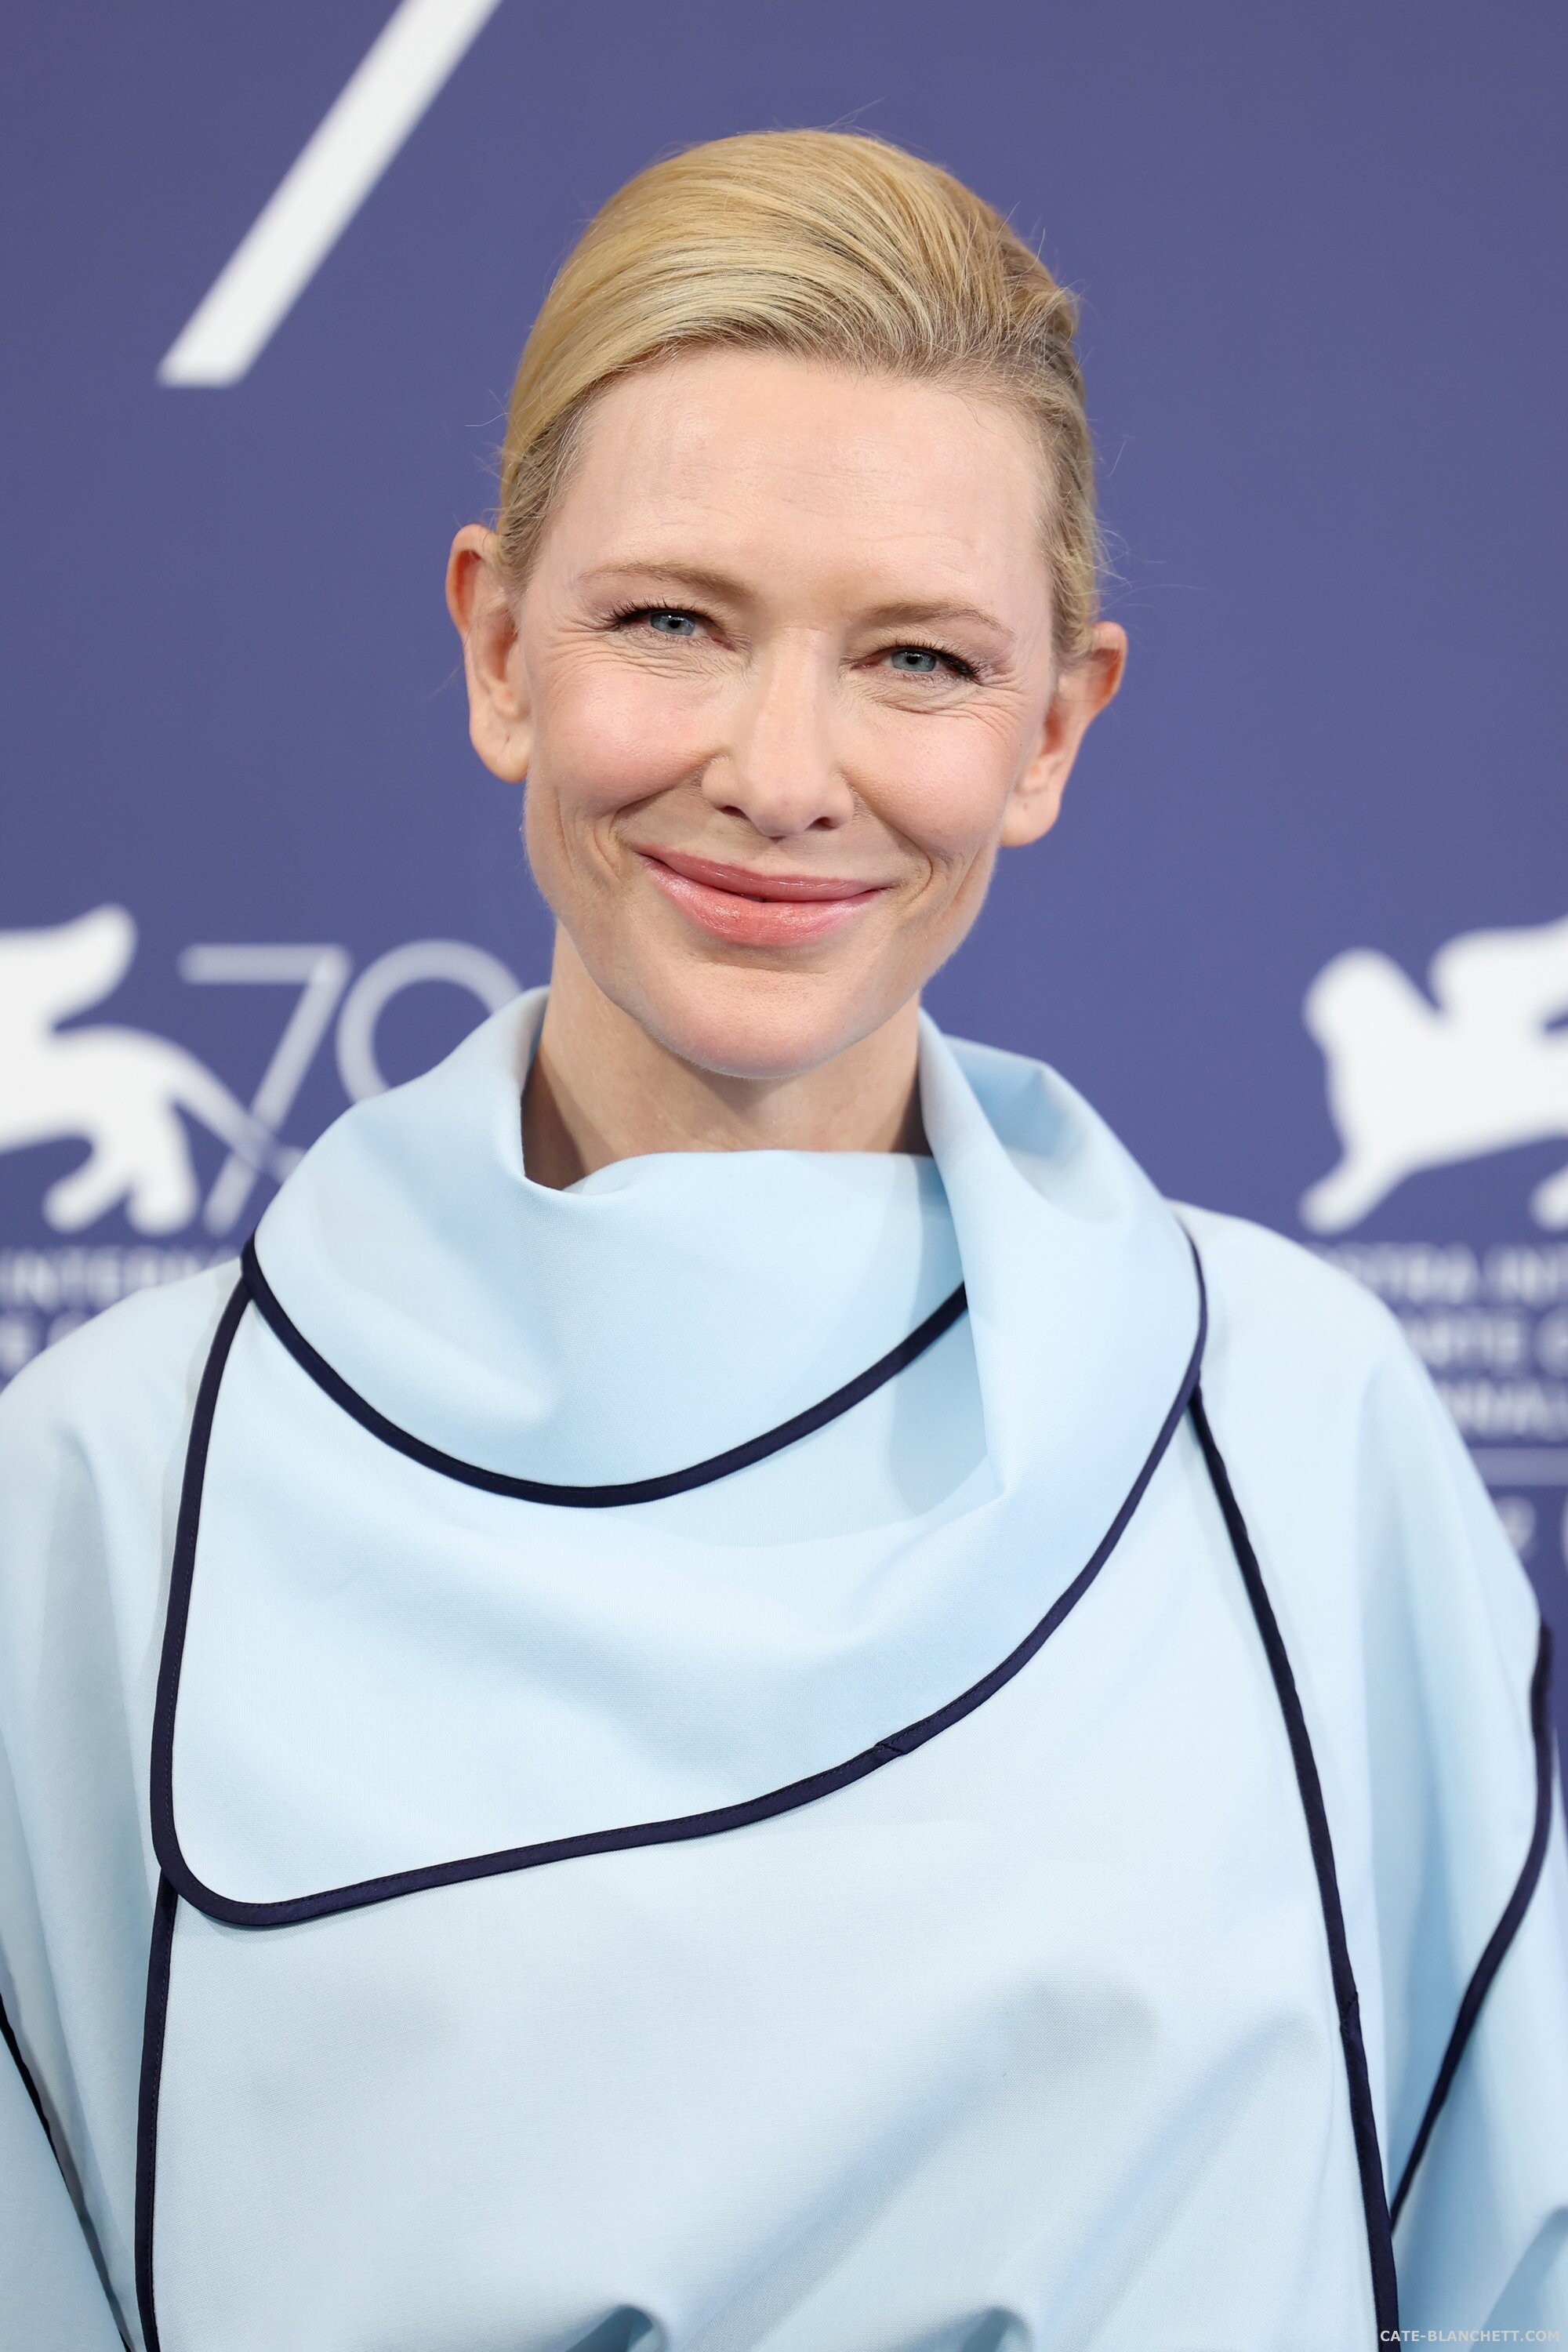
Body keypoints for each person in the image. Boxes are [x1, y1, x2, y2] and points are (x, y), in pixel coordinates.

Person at [1, 129, 1563, 2352]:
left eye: (917, 659)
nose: (783, 771)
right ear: (498, 648)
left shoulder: (1299, 1429)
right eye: (673, 622)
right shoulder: (100, 1497)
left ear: (1054, 730)